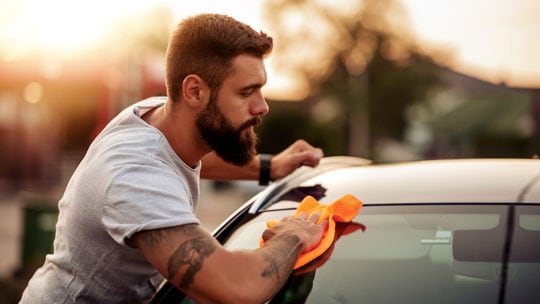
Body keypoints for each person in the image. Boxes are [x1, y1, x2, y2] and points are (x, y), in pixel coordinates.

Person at [19, 13, 326, 303]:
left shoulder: (161, 115)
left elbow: (191, 153)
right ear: (194, 91)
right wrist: (295, 235)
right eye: (246, 93)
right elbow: (238, 288)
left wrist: (268, 167)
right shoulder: (135, 175)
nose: (262, 107)